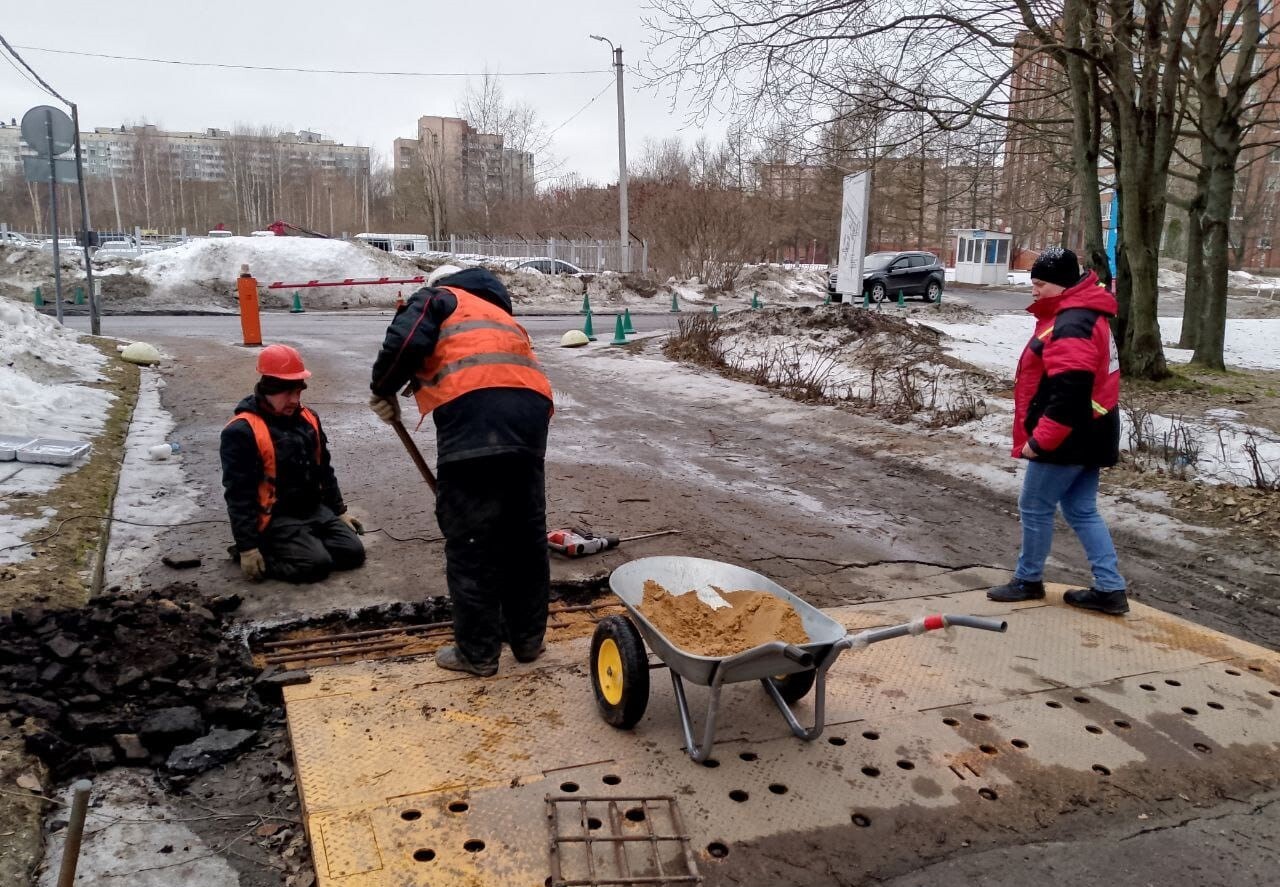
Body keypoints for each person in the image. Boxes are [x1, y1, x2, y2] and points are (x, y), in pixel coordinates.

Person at [369, 264, 554, 676]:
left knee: (472, 541)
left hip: (475, 420)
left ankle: (478, 652)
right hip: (529, 418)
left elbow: (403, 343)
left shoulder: (439, 298)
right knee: (524, 537)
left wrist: (381, 388)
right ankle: (526, 641)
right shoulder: (500, 315)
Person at [987, 248, 1129, 615]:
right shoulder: (1086, 315)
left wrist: (1041, 440)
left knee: (1034, 506)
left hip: (1068, 436)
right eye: (1032, 283)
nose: (1033, 290)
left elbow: (1070, 391)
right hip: (1093, 432)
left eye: (1040, 284)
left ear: (1062, 284)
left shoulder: (1072, 323)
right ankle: (1110, 589)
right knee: (1081, 510)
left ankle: (1028, 580)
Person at [221, 343, 365, 583]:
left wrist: (339, 512)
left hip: (312, 509)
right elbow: (238, 494)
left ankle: (305, 544)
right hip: (276, 518)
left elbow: (324, 470)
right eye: (288, 393)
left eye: (298, 392)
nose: (294, 400)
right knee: (316, 566)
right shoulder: (242, 431)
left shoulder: (308, 419)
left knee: (353, 553)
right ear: (269, 388)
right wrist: (248, 547)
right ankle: (261, 552)